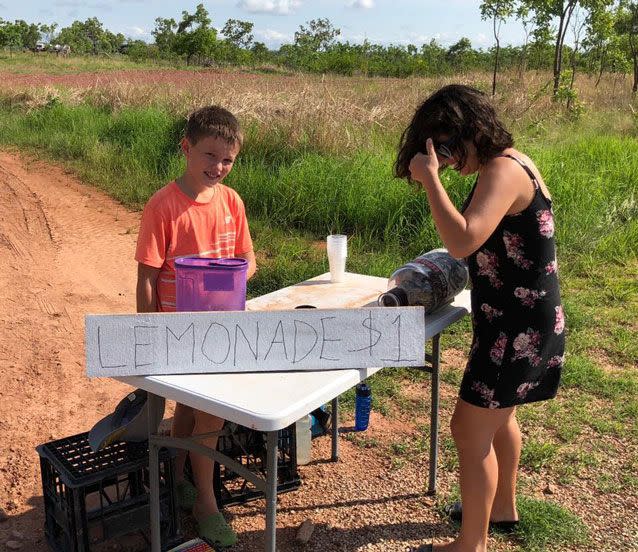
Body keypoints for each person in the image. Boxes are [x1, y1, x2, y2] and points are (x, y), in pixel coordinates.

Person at [395, 85, 564, 552]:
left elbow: (463, 240)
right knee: (498, 419)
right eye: (438, 154)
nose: (447, 161)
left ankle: (471, 545)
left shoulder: (503, 171)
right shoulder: (508, 162)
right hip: (518, 320)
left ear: (469, 128)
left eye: (447, 149)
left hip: (516, 329)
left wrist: (432, 179)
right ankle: (502, 508)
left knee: (468, 430)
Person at [135, 105, 256, 547]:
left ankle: (182, 478)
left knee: (195, 410)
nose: (218, 167)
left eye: (227, 160)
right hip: (178, 332)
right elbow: (147, 275)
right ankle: (205, 503)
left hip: (221, 330)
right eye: (209, 156)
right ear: (186, 148)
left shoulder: (232, 201)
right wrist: (149, 335)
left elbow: (248, 258)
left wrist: (231, 276)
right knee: (204, 410)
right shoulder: (163, 206)